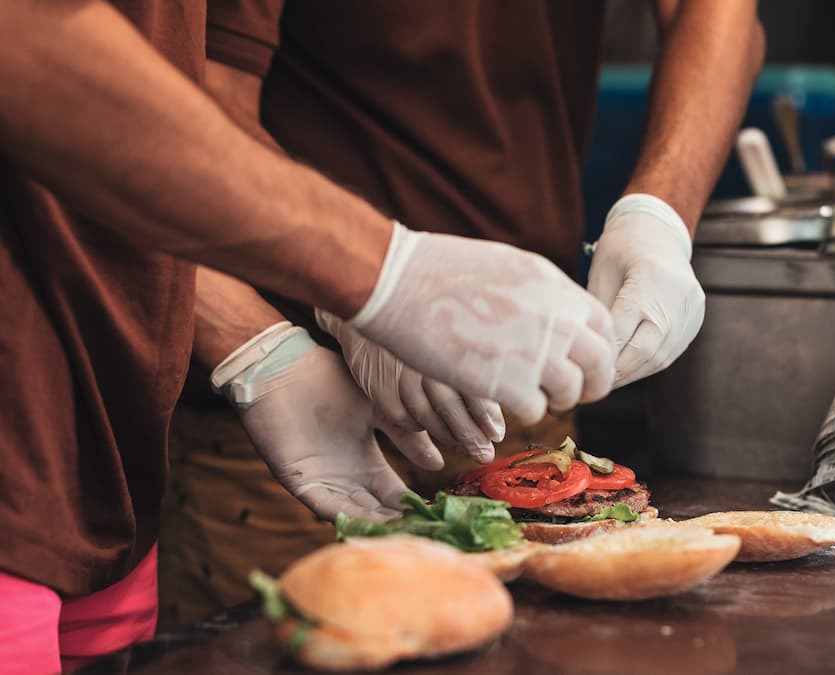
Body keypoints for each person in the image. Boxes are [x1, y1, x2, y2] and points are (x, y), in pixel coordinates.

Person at [0, 1, 616, 671]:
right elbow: (27, 40)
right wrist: (377, 271)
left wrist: (257, 348)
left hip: (103, 475)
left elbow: (112, 150)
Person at [158, 0, 765, 627]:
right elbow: (178, 116)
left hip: (528, 404)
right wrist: (330, 309)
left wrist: (659, 215)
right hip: (302, 413)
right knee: (293, 642)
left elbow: (718, 14)